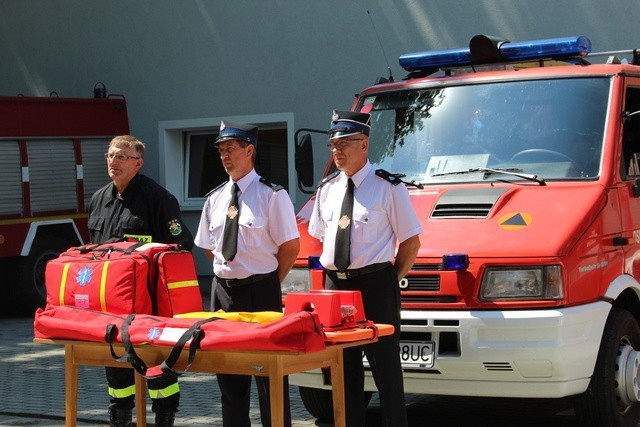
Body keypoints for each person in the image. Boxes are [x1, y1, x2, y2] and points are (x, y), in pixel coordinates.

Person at [308, 110, 422, 427]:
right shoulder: (327, 189)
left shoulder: (388, 188)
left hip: (376, 285)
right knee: (343, 370)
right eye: (333, 145)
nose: (338, 151)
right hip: (336, 287)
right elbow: (321, 239)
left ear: (365, 145)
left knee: (385, 369)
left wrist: (388, 280)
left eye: (345, 143)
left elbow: (411, 243)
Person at [194, 120, 300, 427]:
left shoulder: (271, 195)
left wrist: (268, 282)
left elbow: (290, 247)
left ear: (249, 150)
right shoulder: (214, 198)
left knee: (269, 379)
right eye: (221, 151)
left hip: (261, 292)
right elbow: (208, 247)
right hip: (223, 293)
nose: (225, 156)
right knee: (229, 379)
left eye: (231, 149)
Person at [87, 135, 195, 427]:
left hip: (149, 307)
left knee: (158, 370)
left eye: (122, 156)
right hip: (111, 307)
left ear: (138, 163)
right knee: (117, 369)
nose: (114, 161)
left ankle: (164, 419)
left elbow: (181, 247)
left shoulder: (157, 198)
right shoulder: (99, 199)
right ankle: (119, 419)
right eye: (111, 155)